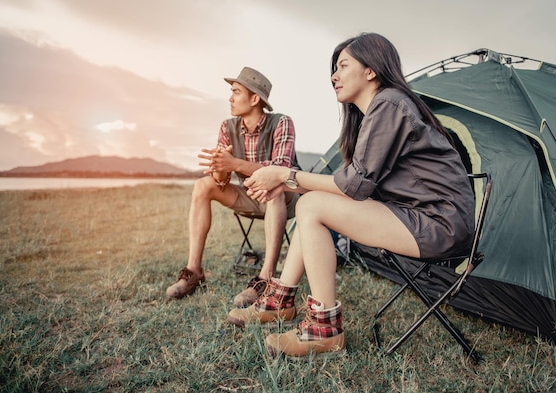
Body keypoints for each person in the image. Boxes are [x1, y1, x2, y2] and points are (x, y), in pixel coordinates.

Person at [225, 33, 475, 358]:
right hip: (419, 218)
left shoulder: (390, 103)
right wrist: (287, 182)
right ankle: (280, 302)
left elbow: (353, 185)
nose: (334, 75)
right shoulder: (379, 112)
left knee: (313, 205)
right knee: (311, 203)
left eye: (343, 66)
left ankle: (323, 329)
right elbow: (352, 185)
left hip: (438, 226)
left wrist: (285, 176)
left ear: (370, 70)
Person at [166, 67, 300, 307]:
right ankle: (194, 271)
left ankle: (266, 279)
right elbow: (221, 180)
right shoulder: (227, 127)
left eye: (236, 92)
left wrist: (234, 162)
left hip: (284, 198)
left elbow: (280, 170)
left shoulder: (282, 122)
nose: (230, 98)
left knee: (274, 190)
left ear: (255, 98)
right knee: (202, 185)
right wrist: (219, 166)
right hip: (249, 195)